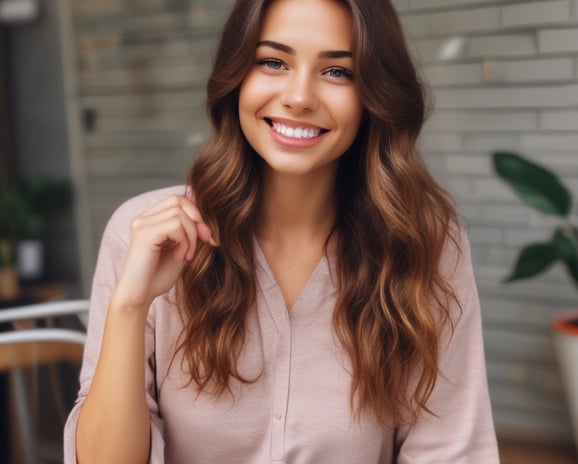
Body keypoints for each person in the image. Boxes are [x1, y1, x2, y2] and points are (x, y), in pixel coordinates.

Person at [64, 0, 499, 462]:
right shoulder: (148, 236)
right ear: (236, 78)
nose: (299, 96)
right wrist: (130, 306)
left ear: (374, 94)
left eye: (337, 72)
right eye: (273, 62)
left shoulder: (422, 239)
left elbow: (450, 450)